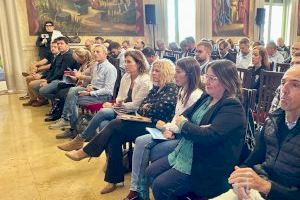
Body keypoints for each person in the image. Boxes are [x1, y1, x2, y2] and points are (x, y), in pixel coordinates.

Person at [64, 59, 178, 194]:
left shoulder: (170, 88)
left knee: (115, 124)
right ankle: (113, 179)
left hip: (158, 127)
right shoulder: (156, 88)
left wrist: (148, 108)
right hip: (146, 121)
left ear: (166, 72)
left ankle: (87, 152)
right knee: (114, 136)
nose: (153, 73)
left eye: (157, 71)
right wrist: (148, 107)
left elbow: (159, 110)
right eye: (153, 70)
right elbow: (142, 108)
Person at [146, 60, 247, 199]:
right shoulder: (207, 97)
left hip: (205, 162)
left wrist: (186, 125)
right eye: (206, 77)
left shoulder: (232, 106)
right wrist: (194, 127)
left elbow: (207, 136)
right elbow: (183, 116)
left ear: (227, 81)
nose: (207, 82)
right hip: (185, 151)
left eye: (212, 78)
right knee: (150, 171)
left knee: (160, 186)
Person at [214, 67, 300, 200]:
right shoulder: (273, 120)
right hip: (257, 191)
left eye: (295, 85)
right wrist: (240, 182)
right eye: (283, 83)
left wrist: (266, 187)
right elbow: (252, 160)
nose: (284, 89)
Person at [124, 57, 203, 200]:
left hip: (184, 138)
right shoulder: (182, 90)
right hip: (173, 132)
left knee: (150, 152)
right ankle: (139, 190)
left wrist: (166, 126)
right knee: (141, 141)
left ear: (190, 74)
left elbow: (186, 124)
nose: (174, 75)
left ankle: (142, 190)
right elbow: (176, 117)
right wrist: (168, 128)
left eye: (178, 72)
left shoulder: (195, 95)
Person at [57, 50, 151, 150]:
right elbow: (120, 97)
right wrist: (91, 88)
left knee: (102, 111)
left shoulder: (144, 80)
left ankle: (81, 139)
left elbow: (136, 106)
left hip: (135, 114)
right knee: (103, 124)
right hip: (122, 109)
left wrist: (114, 105)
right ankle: (111, 160)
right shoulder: (126, 76)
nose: (125, 64)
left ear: (139, 63)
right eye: (125, 61)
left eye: (129, 62)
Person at [49, 44, 117, 139]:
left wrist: (90, 92)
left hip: (103, 96)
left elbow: (108, 90)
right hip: (93, 90)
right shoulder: (96, 65)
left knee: (72, 99)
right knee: (73, 90)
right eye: (94, 52)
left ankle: (72, 127)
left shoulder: (110, 68)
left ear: (105, 54)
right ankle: (72, 126)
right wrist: (90, 86)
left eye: (98, 52)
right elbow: (93, 80)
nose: (95, 54)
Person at [45, 48, 94, 122]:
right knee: (60, 87)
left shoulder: (92, 65)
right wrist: (73, 76)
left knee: (64, 94)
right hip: (79, 84)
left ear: (82, 57)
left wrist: (79, 76)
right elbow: (78, 79)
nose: (76, 60)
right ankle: (59, 112)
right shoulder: (82, 65)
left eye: (77, 58)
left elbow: (93, 78)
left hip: (85, 86)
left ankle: (64, 116)